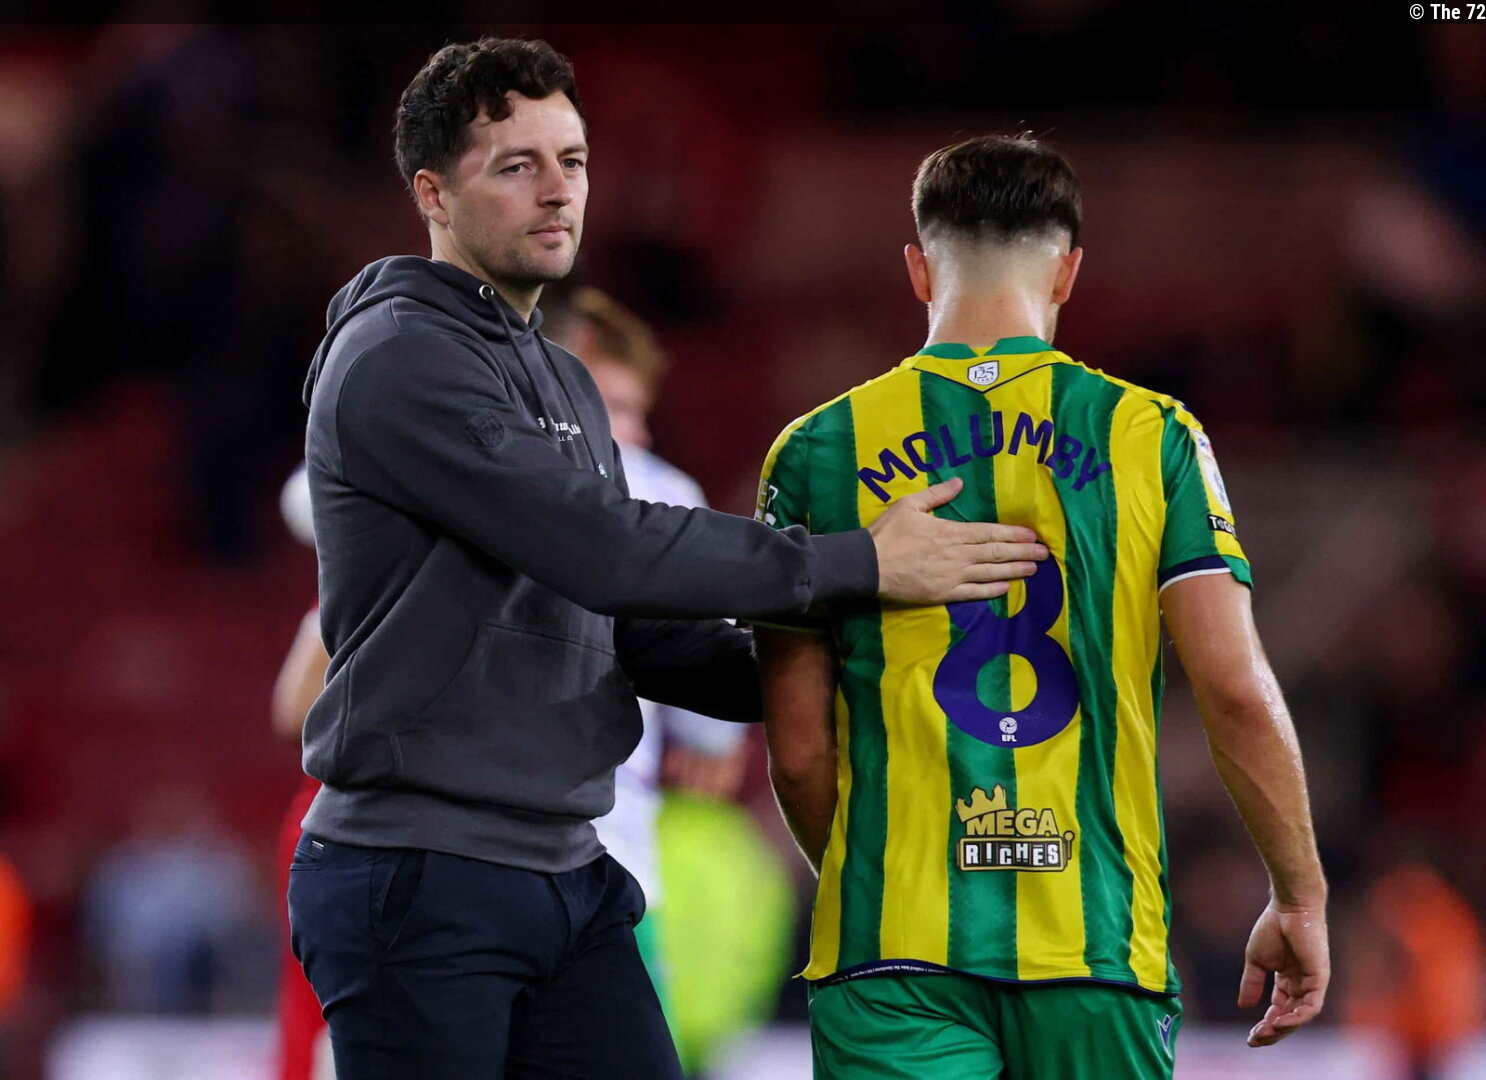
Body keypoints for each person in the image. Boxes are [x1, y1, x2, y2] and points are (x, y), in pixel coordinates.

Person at [289, 38, 1046, 1080]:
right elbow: (604, 549)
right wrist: (858, 563)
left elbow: (634, 634)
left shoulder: (560, 379)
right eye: (517, 166)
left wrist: (852, 666)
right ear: (432, 193)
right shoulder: (400, 357)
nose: (558, 191)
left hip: (567, 868)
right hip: (422, 872)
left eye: (573, 161)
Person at [755, 134, 1330, 1080]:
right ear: (1068, 273)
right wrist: (1299, 896)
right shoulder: (1152, 435)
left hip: (892, 958)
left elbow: (799, 749)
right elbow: (1233, 689)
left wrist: (878, 885)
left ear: (917, 270)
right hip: (1096, 947)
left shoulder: (816, 450)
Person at [545, 286, 749, 1017]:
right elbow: (711, 738)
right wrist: (715, 731)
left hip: (470, 862)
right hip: (611, 858)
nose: (634, 434)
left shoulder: (452, 475)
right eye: (616, 407)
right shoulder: (660, 491)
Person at [270, 465, 333, 1080]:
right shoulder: (343, 596)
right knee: (315, 1003)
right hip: (334, 820)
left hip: (406, 819)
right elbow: (290, 711)